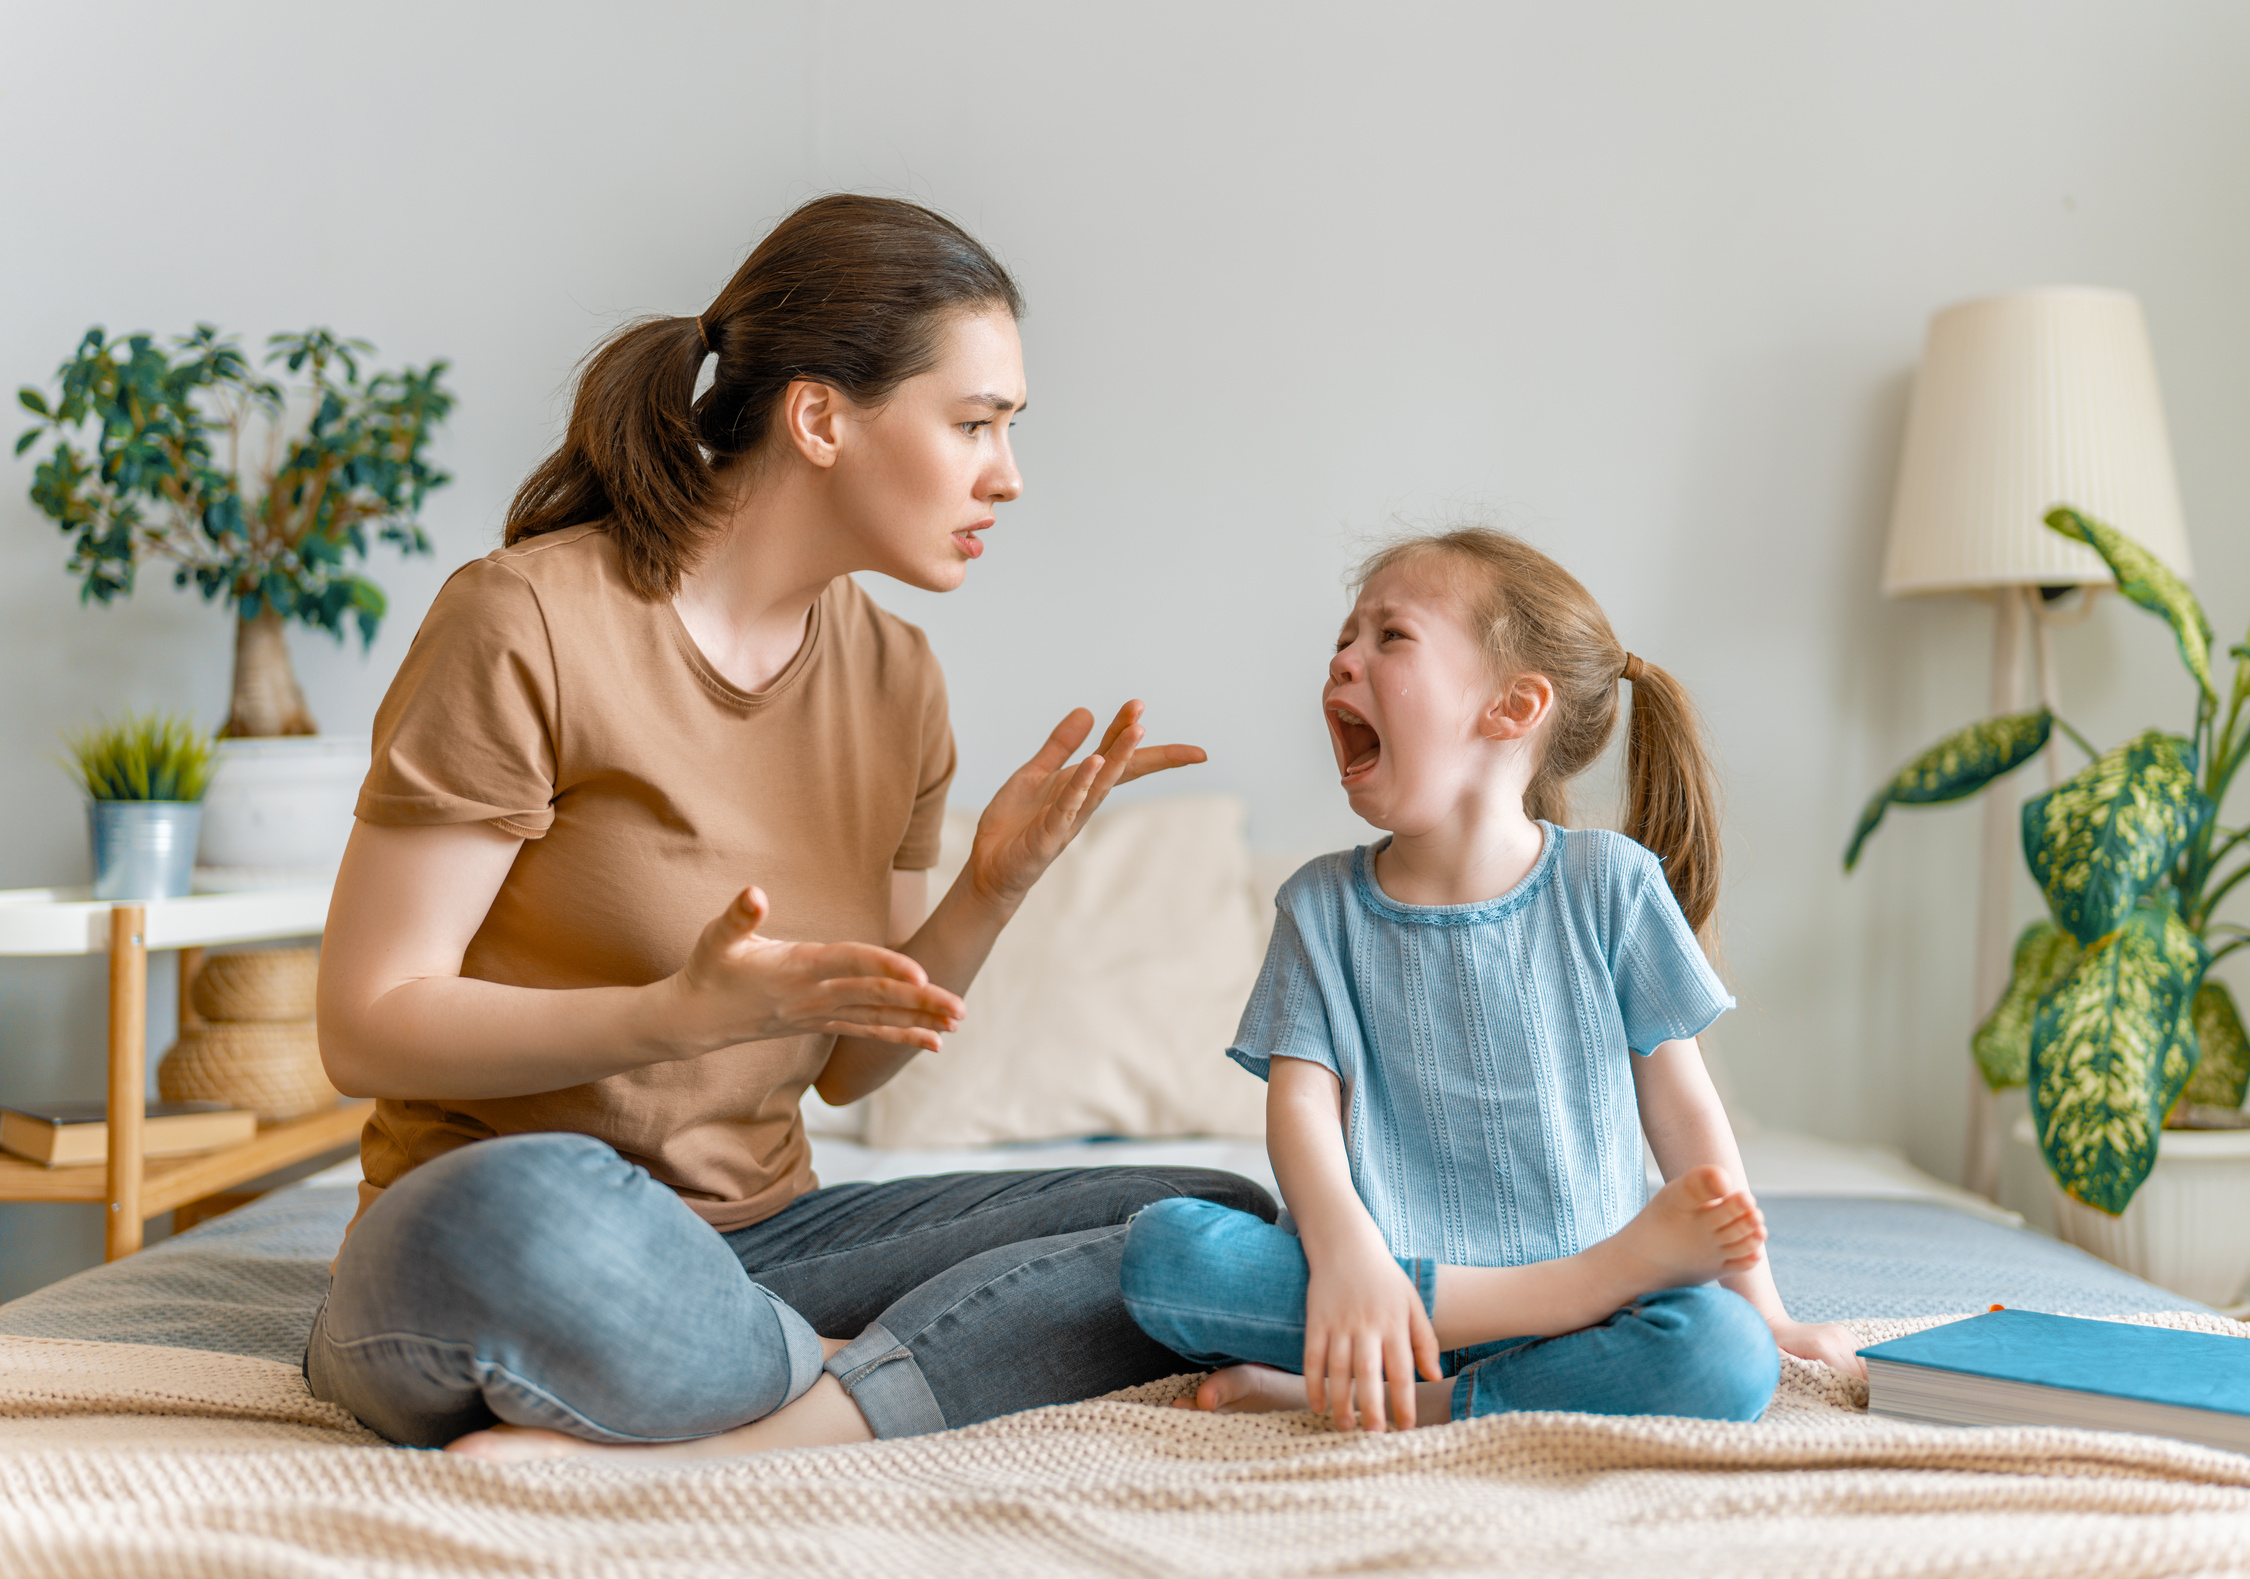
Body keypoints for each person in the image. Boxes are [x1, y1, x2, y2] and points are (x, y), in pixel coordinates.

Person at [307, 194, 1273, 1461]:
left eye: (1011, 428)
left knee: (1209, 1217)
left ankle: (781, 1413)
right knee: (521, 1216)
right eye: (974, 423)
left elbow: (847, 1066)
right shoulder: (527, 621)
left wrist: (992, 884)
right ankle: (862, 1372)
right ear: (821, 416)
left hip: (770, 1242)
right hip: (514, 1227)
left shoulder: (898, 680)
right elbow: (365, 1023)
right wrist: (670, 1015)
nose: (1009, 475)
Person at [1117, 527, 1860, 1434]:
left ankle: (1425, 1400)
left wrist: (1766, 1307)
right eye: (1341, 640)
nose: (1342, 661)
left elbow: (1684, 1113)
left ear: (1513, 707)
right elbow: (1300, 1113)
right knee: (1165, 1252)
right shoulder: (1319, 906)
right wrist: (1349, 1252)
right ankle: (1528, 1312)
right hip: (1384, 1292)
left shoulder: (1611, 884)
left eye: (1389, 636)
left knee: (1725, 1349)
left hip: (1582, 1319)